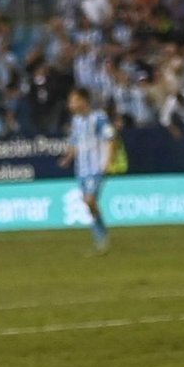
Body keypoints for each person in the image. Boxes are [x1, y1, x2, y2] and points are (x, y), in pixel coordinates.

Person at [59, 87, 115, 253]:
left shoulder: (98, 118)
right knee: (88, 203)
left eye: (74, 100)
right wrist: (68, 158)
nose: (71, 104)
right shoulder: (76, 121)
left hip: (96, 168)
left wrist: (108, 162)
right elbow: (76, 143)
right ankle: (101, 238)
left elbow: (111, 138)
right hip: (81, 170)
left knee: (90, 200)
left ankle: (102, 234)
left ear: (84, 101)